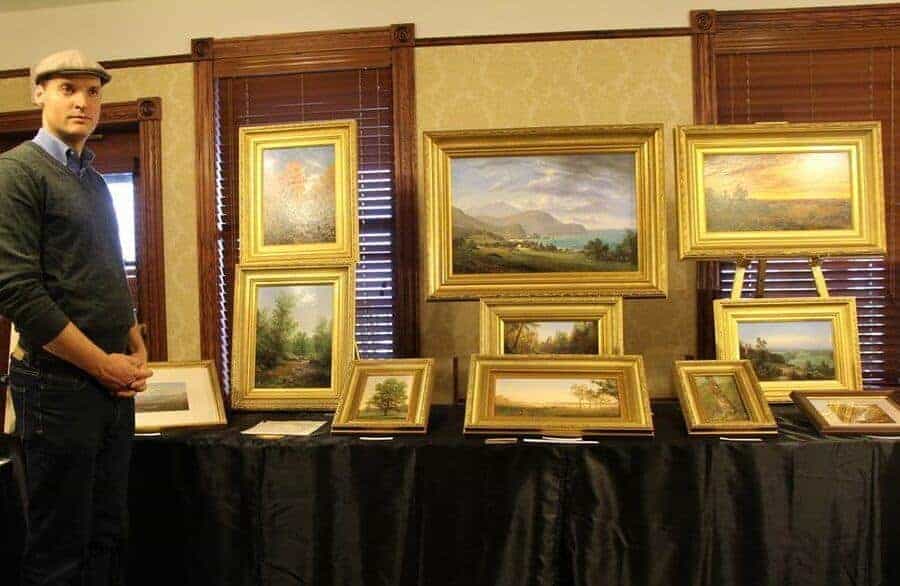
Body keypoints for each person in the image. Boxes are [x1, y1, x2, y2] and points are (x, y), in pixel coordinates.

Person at [0, 49, 153, 586]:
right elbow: (18, 293)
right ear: (37, 92)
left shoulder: (91, 179)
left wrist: (134, 345)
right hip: (56, 384)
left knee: (107, 533)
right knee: (59, 547)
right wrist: (102, 366)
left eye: (92, 91)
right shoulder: (16, 173)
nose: (83, 101)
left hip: (109, 385)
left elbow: (110, 270)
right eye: (67, 88)